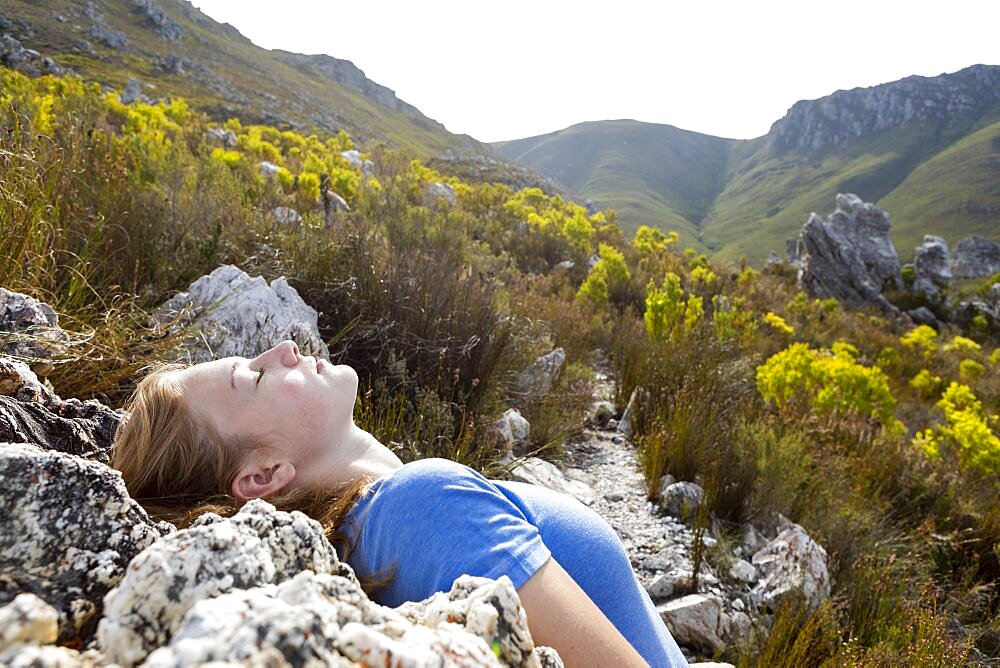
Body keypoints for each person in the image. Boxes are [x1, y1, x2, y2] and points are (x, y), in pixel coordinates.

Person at [112, 340, 688, 667]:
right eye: (254, 377)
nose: (282, 349)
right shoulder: (422, 509)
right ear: (262, 476)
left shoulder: (379, 529)